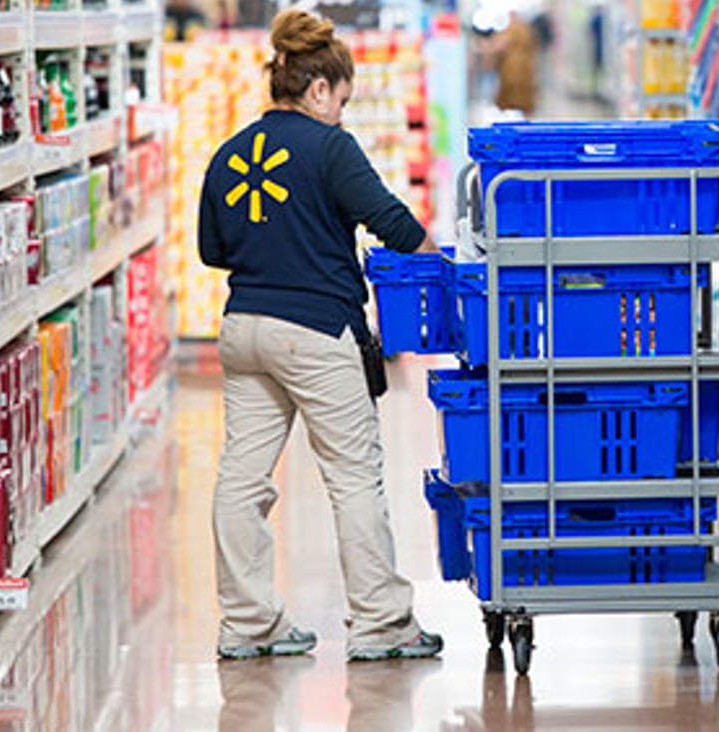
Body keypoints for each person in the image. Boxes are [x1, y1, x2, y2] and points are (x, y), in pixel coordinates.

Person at [197, 8, 443, 663]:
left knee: (242, 480)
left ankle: (248, 624)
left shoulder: (229, 153)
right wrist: (439, 261)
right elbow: (388, 218)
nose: (342, 113)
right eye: (341, 100)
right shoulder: (329, 145)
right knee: (353, 479)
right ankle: (383, 623)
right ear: (318, 89)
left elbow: (211, 249)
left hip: (244, 330)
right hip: (315, 331)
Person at [489, 11, 539, 116]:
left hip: (512, 66)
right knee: (524, 95)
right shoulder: (527, 29)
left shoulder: (510, 30)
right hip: (526, 66)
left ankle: (510, 120)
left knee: (511, 93)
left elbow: (500, 46)